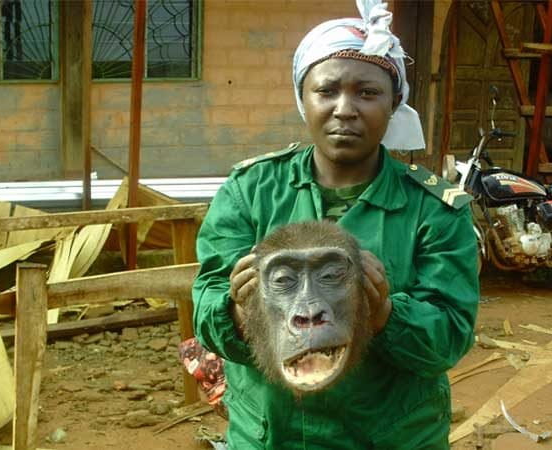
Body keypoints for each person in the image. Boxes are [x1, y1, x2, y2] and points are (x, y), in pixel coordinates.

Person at [191, 0, 479, 447]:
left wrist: (383, 313)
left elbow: (449, 338)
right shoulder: (250, 190)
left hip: (391, 439)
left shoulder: (435, 210)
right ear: (302, 100)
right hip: (271, 436)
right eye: (326, 91)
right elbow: (205, 305)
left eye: (367, 93)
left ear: (395, 102)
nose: (345, 108)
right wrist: (237, 309)